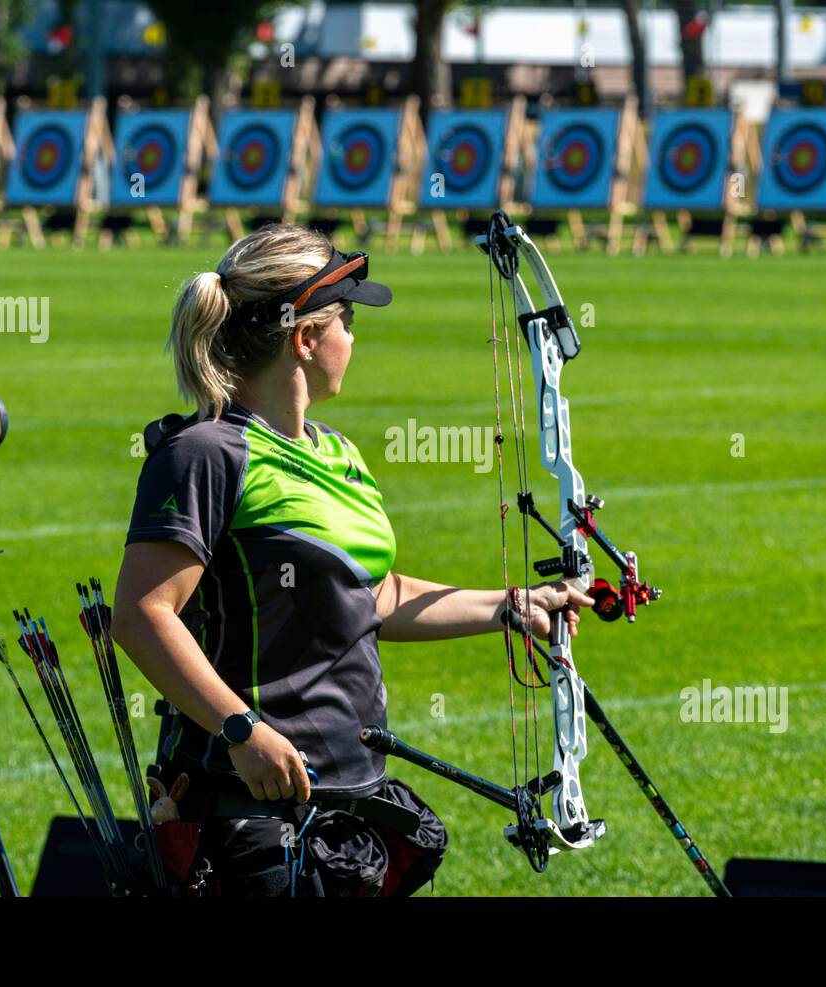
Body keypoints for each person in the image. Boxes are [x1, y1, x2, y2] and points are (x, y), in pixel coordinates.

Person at [111, 224, 592, 896]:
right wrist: (241, 728)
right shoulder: (206, 454)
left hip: (350, 789)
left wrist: (508, 607)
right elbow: (140, 613)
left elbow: (374, 593)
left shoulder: (337, 452)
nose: (354, 337)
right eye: (348, 318)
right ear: (305, 339)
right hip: (250, 805)